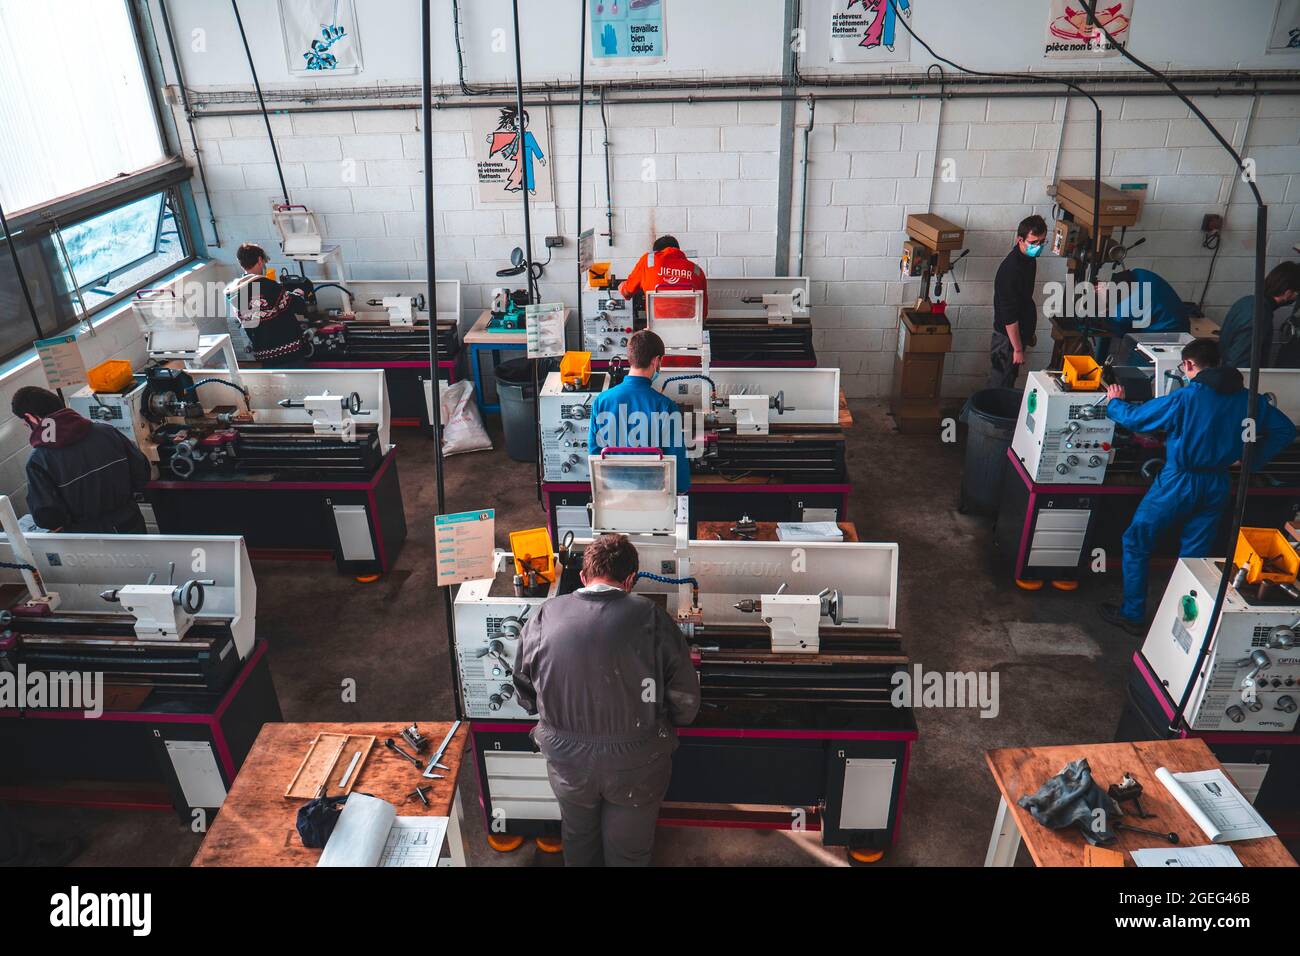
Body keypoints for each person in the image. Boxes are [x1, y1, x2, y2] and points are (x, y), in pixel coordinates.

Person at [512, 533, 700, 867]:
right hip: (637, 765)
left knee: (579, 840)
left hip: (568, 763)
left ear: (583, 577)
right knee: (629, 850)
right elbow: (684, 699)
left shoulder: (544, 616)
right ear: (631, 580)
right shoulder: (653, 619)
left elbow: (525, 689)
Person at [1098, 338, 1296, 635]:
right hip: (1217, 483)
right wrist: (1250, 460)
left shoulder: (1187, 398)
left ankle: (1133, 614)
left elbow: (1137, 420)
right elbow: (1284, 429)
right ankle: (1183, 622)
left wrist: (1115, 402)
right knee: (1194, 557)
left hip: (1178, 481)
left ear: (1189, 365)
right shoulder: (1248, 398)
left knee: (1137, 541)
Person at [12, 387, 151, 533]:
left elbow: (49, 517)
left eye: (25, 422)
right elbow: (142, 473)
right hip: (131, 525)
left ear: (32, 418)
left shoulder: (38, 461)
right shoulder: (107, 431)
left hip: (86, 541)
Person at [588, 329, 692, 494]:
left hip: (612, 501)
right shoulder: (665, 406)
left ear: (631, 358)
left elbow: (594, 455)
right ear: (656, 361)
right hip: (654, 501)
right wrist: (681, 490)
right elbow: (676, 462)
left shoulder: (601, 402)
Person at [224, 242, 309, 365]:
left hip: (263, 356)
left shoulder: (233, 292)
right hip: (289, 354)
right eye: (264, 261)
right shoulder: (268, 286)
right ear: (259, 260)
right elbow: (299, 306)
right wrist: (298, 294)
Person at [989, 214, 1047, 389]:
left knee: (1008, 380)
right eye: (1033, 242)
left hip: (1018, 335)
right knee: (1000, 384)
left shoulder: (1029, 260)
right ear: (1020, 240)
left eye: (1042, 242)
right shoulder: (1011, 271)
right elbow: (1009, 318)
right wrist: (1017, 349)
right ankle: (986, 415)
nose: (1038, 247)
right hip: (1007, 340)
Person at [1216, 261, 1300, 370]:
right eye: (1297, 294)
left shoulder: (1247, 301)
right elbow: (1241, 362)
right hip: (1237, 378)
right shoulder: (1260, 314)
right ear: (1288, 293)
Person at [618, 235, 709, 321]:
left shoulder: (648, 261)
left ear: (656, 252)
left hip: (656, 330)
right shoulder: (697, 270)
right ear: (679, 250)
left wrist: (622, 286)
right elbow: (703, 313)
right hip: (691, 329)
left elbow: (627, 292)